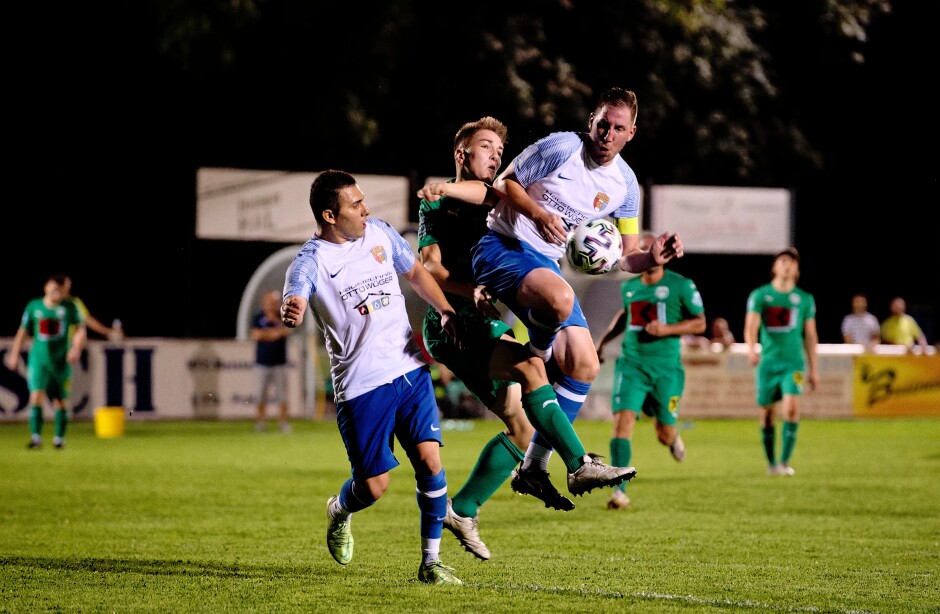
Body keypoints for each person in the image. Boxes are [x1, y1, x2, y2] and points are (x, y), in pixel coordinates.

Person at [417, 117, 636, 559]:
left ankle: (463, 508)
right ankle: (578, 464)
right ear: (461, 154)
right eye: (486, 147)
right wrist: (467, 290)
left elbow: (498, 189)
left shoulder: (493, 196)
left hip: (490, 321)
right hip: (454, 323)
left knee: (521, 427)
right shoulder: (440, 203)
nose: (496, 154)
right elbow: (430, 267)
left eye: (501, 148)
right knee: (534, 366)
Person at [446, 87, 684, 479]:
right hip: (502, 245)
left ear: (631, 133)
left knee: (585, 364)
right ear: (591, 121)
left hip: (545, 266)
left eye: (617, 128)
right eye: (602, 124)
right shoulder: (562, 147)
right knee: (559, 298)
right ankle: (537, 353)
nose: (607, 134)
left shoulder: (625, 185)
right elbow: (504, 184)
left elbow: (627, 256)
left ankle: (535, 467)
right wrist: (539, 215)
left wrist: (652, 257)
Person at [280, 169, 466, 586]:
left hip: (409, 369)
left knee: (430, 461)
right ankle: (340, 511)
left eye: (364, 201)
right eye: (355, 205)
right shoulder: (312, 260)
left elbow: (416, 272)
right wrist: (291, 307)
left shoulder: (379, 233)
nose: (367, 210)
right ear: (330, 215)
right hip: (362, 386)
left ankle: (431, 563)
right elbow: (297, 290)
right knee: (374, 486)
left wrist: (445, 310)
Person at [595, 232, 706, 510]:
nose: (648, 255)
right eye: (642, 250)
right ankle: (619, 492)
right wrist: (603, 342)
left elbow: (700, 323)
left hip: (666, 369)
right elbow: (626, 315)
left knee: (663, 434)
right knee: (623, 421)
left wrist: (666, 330)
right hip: (632, 364)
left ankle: (673, 437)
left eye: (651, 249)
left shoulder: (681, 285)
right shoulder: (630, 287)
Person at [744, 247, 818, 476]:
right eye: (783, 261)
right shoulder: (761, 295)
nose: (787, 265)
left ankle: (785, 463)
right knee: (767, 414)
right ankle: (771, 462)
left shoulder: (804, 299)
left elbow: (811, 335)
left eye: (792, 263)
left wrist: (813, 369)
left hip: (793, 363)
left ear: (797, 270)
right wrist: (751, 349)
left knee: (792, 408)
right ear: (775, 267)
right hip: (768, 363)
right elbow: (751, 326)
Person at [4, 273, 87, 449]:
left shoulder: (69, 307)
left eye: (60, 288)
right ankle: (36, 438)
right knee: (36, 396)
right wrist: (14, 354)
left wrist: (76, 348)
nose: (57, 291)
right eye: (54, 287)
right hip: (39, 360)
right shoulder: (34, 307)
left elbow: (80, 331)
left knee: (60, 401)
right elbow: (22, 333)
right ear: (46, 287)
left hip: (60, 361)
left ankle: (59, 439)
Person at [249, 290, 293, 433]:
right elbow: (255, 334)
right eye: (269, 302)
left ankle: (283, 422)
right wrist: (274, 334)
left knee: (282, 395)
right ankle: (261, 422)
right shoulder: (258, 317)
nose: (271, 304)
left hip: (280, 363)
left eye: (274, 302)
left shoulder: (283, 316)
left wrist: (267, 334)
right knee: (260, 394)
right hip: (262, 363)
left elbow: (286, 331)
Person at [63, 275, 123, 340]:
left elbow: (86, 319)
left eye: (68, 284)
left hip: (68, 344)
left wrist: (107, 332)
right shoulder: (51, 304)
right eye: (61, 284)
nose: (67, 287)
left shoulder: (74, 302)